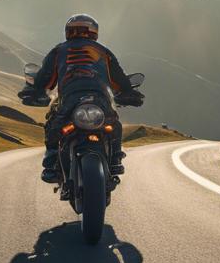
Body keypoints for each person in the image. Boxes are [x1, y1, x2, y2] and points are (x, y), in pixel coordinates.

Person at [19, 14, 144, 183]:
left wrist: (35, 92)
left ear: (68, 32)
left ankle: (51, 164)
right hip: (101, 100)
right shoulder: (103, 52)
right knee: (113, 124)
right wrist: (129, 93)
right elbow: (119, 79)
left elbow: (45, 79)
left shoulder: (58, 51)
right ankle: (115, 160)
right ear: (94, 32)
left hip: (69, 101)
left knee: (54, 126)